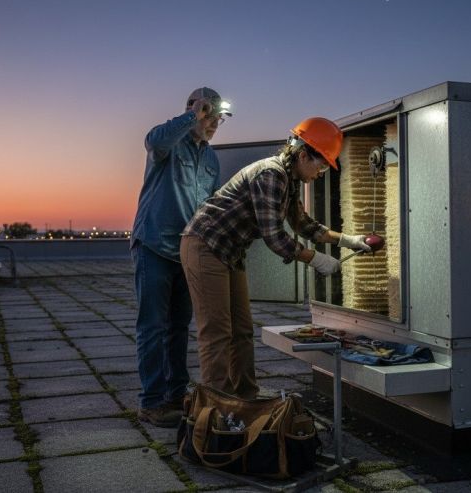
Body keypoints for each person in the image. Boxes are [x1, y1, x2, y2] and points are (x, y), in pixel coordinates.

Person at [179, 116, 371, 399]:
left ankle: (245, 398)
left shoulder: (290, 180)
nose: (321, 173)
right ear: (304, 154)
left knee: (242, 330)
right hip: (205, 245)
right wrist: (316, 259)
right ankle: (218, 408)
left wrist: (347, 240)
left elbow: (304, 225)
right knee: (217, 333)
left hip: (230, 251)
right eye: (321, 165)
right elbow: (274, 238)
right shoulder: (270, 174)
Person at [130, 87, 232, 427]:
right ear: (192, 109)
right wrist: (193, 116)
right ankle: (152, 401)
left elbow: (208, 207)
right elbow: (154, 141)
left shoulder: (211, 159)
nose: (214, 121)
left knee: (178, 328)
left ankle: (176, 393)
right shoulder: (169, 145)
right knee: (152, 327)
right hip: (154, 245)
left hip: (186, 252)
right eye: (209, 112)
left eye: (219, 116)